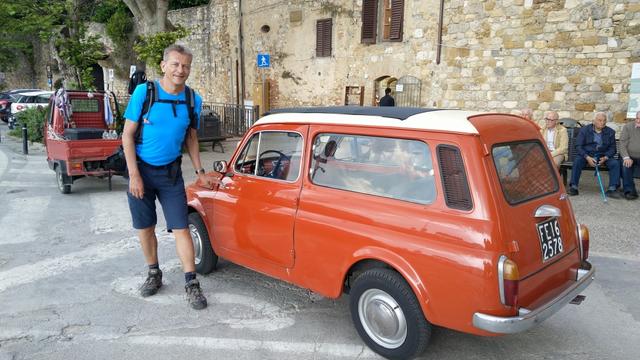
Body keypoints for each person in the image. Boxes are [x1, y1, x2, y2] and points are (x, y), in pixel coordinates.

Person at [122, 44, 213, 309]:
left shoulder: (192, 99)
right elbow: (127, 136)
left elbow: (192, 137)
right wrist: (134, 175)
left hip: (171, 173)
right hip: (141, 170)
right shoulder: (144, 92)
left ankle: (191, 282)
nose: (180, 70)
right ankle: (154, 273)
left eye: (185, 66)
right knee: (146, 227)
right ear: (164, 66)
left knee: (181, 227)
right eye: (175, 64)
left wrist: (200, 172)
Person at [568, 112, 621, 198]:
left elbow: (613, 149)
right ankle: (573, 187)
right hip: (587, 154)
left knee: (615, 163)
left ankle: (612, 188)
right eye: (600, 120)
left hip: (603, 155)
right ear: (593, 121)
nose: (602, 123)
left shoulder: (610, 132)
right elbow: (578, 146)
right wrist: (587, 157)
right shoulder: (584, 130)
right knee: (577, 161)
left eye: (604, 121)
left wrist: (605, 157)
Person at [619, 111, 640, 200]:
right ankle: (629, 191)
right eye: (637, 118)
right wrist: (626, 157)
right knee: (625, 165)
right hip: (629, 155)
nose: (638, 121)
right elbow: (622, 143)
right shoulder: (628, 127)